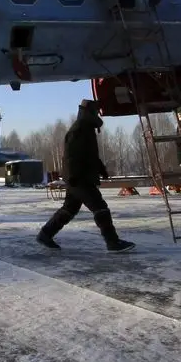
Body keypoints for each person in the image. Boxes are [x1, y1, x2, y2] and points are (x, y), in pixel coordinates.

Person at [35, 99, 136, 252]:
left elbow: (89, 155)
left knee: (69, 209)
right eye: (96, 110)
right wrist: (73, 176)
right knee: (100, 207)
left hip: (79, 177)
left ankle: (45, 234)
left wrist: (101, 168)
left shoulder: (86, 128)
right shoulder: (80, 129)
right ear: (90, 111)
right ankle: (112, 242)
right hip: (79, 179)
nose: (98, 113)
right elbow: (71, 156)